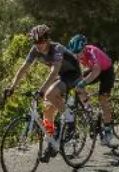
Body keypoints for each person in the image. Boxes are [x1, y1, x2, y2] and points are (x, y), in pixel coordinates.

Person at [7, 25, 82, 161]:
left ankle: (70, 120)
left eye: (41, 41)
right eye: (35, 42)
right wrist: (12, 87)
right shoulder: (35, 50)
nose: (38, 45)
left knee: (49, 94)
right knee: (47, 109)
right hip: (61, 75)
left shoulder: (57, 49)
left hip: (73, 74)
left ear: (47, 39)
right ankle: (51, 142)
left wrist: (41, 91)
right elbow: (24, 68)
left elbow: (54, 72)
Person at [67, 34, 116, 146]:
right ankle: (89, 110)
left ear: (84, 47)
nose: (77, 55)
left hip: (106, 71)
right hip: (92, 69)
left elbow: (97, 70)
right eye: (75, 52)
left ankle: (108, 130)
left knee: (102, 100)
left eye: (79, 51)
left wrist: (84, 82)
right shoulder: (75, 54)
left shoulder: (92, 51)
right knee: (77, 86)